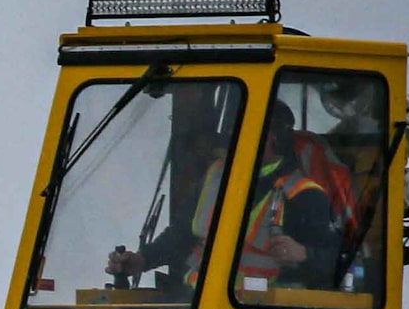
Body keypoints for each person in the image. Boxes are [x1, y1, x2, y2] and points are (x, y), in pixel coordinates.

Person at [234, 101, 349, 289]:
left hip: (264, 307)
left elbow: (342, 259)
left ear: (276, 139)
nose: (240, 138)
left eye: (250, 130)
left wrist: (305, 254)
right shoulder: (219, 179)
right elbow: (186, 233)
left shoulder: (305, 196)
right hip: (200, 299)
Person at [105, 122, 232, 289]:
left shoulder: (275, 184)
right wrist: (143, 260)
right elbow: (181, 235)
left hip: (254, 302)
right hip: (202, 297)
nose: (205, 160)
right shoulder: (216, 179)